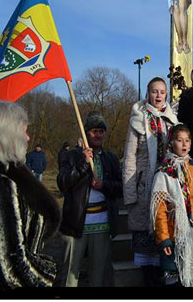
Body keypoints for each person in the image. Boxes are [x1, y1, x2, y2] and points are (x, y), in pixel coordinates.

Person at [0, 101, 61, 289]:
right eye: (24, 132)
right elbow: (11, 268)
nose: (28, 138)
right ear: (6, 137)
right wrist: (52, 273)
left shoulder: (2, 177)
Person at [123, 77, 179, 286]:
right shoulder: (138, 118)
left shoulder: (172, 120)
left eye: (162, 92)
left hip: (166, 188)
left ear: (166, 95)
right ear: (148, 94)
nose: (158, 96)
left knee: (164, 242)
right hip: (144, 186)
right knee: (146, 250)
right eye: (154, 91)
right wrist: (130, 194)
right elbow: (129, 157)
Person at [58, 111, 123, 287]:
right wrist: (83, 164)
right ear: (86, 133)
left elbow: (120, 188)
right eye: (94, 131)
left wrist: (105, 185)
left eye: (101, 131)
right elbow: (63, 183)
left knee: (98, 276)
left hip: (102, 225)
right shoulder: (72, 155)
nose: (98, 135)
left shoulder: (111, 158)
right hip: (76, 224)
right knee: (70, 275)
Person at [150, 124, 193, 287]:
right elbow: (159, 210)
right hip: (173, 235)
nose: (184, 144)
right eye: (179, 140)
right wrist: (163, 239)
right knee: (175, 279)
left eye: (187, 140)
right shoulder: (164, 171)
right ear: (171, 143)